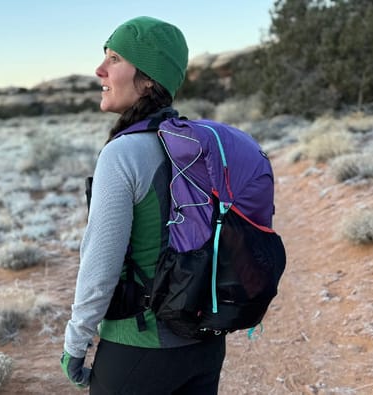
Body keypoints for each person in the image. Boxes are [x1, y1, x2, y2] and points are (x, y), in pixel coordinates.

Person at [61, 16, 227, 394]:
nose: (99, 69)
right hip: (205, 344)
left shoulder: (124, 153)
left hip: (139, 348)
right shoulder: (202, 145)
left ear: (149, 78)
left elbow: (100, 265)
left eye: (116, 58)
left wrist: (76, 342)